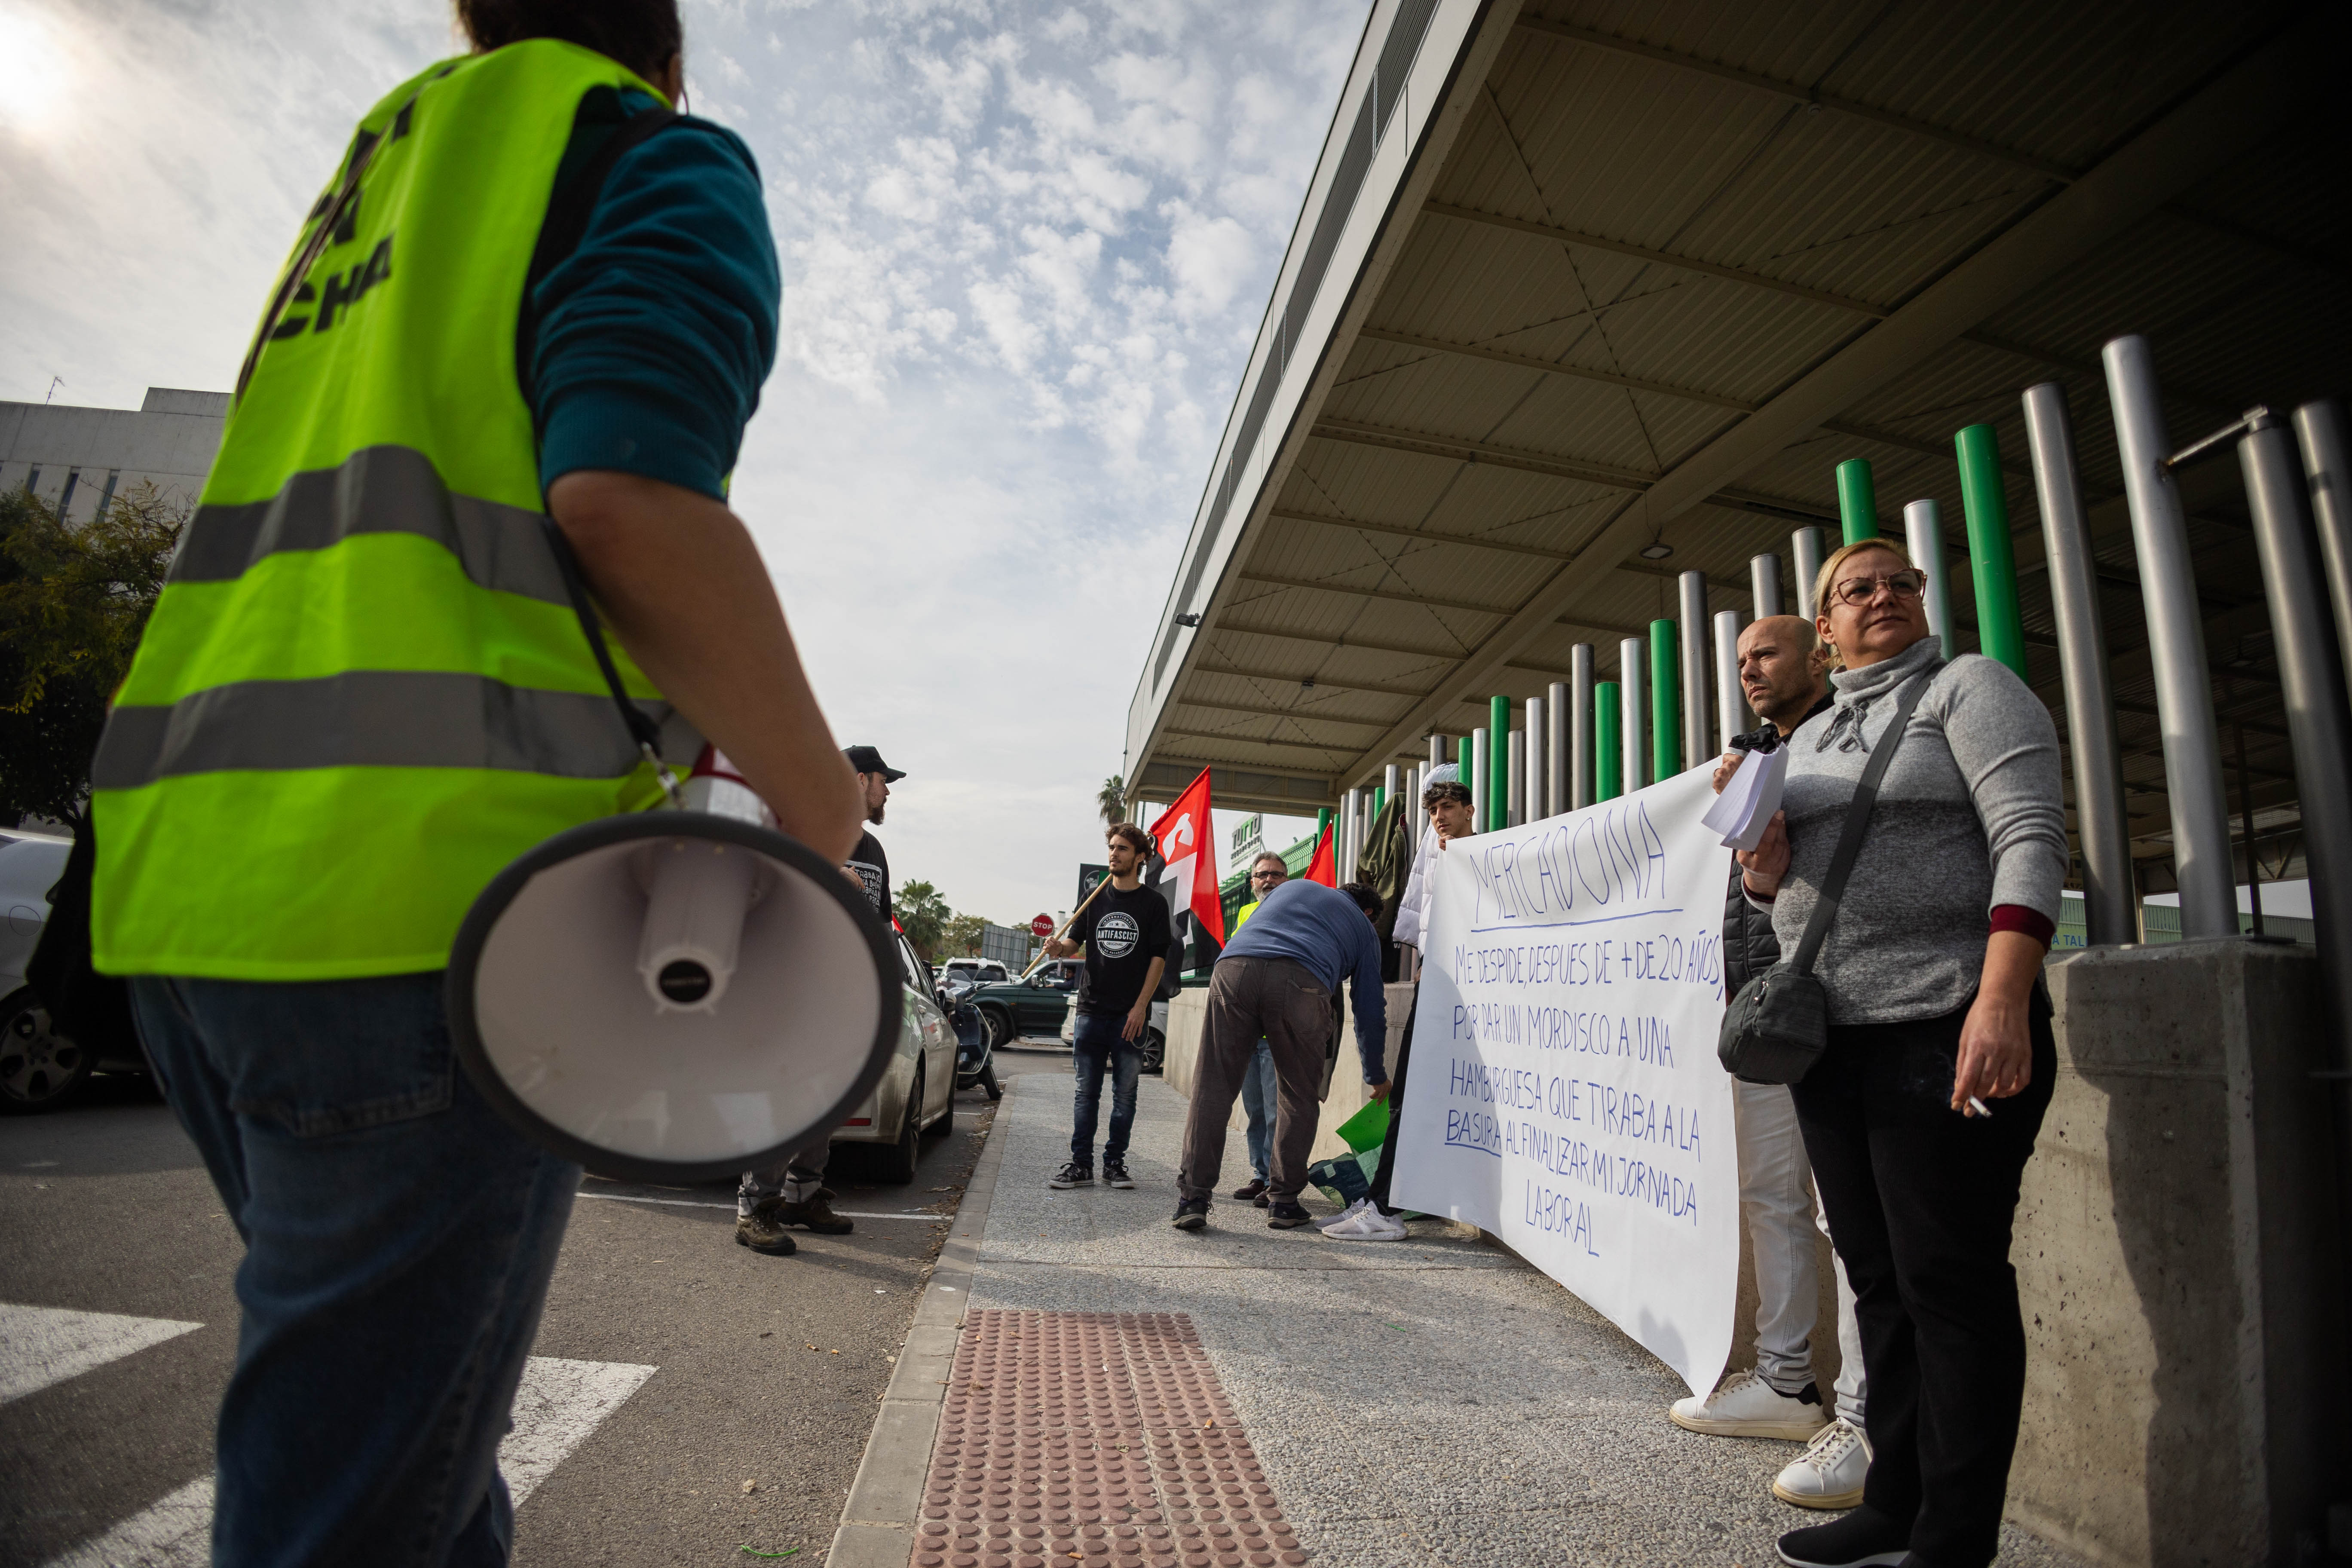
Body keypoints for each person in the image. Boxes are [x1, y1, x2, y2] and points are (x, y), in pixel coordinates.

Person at [87, 4, 862, 1559]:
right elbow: (623, 499)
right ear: (668, 55)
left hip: (182, 883)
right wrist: (821, 802)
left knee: (413, 1450)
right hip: (427, 915)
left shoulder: (380, 181)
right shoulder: (644, 153)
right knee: (356, 1505)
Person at [1737, 542, 2067, 1568]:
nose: (1881, 596)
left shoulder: (1968, 687)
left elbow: (2028, 836)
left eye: (1899, 583)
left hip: (1946, 1022)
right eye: (1854, 589)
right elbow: (1776, 893)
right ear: (1823, 631)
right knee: (1876, 1280)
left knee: (1947, 1283)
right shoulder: (1816, 727)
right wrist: (1762, 873)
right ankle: (1894, 1500)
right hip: (1830, 1041)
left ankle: (1952, 1539)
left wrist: (2002, 998)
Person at [1672, 616, 1872, 1511]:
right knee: (1771, 1196)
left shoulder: (1849, 738)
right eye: (1743, 659)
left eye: (1769, 654)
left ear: (1818, 656)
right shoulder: (1747, 759)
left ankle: (1868, 1423)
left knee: (1848, 1214)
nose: (1752, 669)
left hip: (1843, 1000)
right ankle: (1789, 1382)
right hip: (1764, 1004)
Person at [735, 743, 904, 1253]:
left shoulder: (873, 850)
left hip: (846, 996)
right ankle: (754, 1209)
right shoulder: (804, 831)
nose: (888, 791)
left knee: (827, 1103)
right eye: (882, 780)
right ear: (857, 780)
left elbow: (881, 926)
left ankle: (802, 1196)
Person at [1173, 878, 1388, 1232]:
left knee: (1213, 1088)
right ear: (1368, 912)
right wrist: (1375, 1073)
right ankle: (1284, 1203)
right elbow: (1368, 1008)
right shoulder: (1363, 928)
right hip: (1301, 982)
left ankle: (1192, 1199)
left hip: (1233, 970)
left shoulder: (1292, 889)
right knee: (1297, 1096)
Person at [1325, 766, 1467, 1241]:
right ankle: (1382, 1204)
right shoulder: (1439, 857)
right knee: (1408, 1096)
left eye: (1448, 807)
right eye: (1432, 810)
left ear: (1469, 810)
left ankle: (1386, 1207)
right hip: (1439, 985)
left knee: (1416, 1096)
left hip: (1466, 993)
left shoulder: (1480, 858)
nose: (1439, 817)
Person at [1041, 822, 1173, 1191]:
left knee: (1125, 1095)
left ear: (1141, 857)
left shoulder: (1153, 904)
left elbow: (1158, 959)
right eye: (1112, 848)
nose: (1114, 854)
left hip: (1129, 1016)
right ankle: (1081, 1165)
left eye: (1123, 849)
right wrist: (1058, 949)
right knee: (1086, 1093)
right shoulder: (1095, 898)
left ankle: (1115, 1164)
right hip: (1091, 1011)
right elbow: (1073, 943)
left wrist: (1140, 1007)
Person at [1226, 850, 1289, 1206]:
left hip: (1276, 1033)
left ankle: (1276, 1181)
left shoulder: (1294, 914)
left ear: (1287, 881)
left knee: (1276, 1113)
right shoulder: (1245, 914)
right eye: (1262, 875)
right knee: (1255, 1111)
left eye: (1276, 875)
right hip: (1246, 1031)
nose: (1269, 881)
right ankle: (1259, 1174)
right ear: (1252, 883)